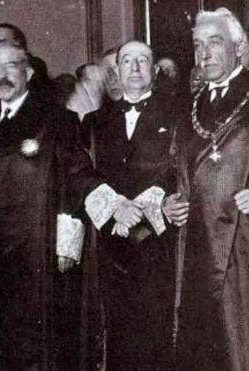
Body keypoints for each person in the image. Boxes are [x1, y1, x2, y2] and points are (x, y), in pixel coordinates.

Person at [0, 42, 125, 370]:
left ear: (28, 72)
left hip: (33, 252)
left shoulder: (55, 119)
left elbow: (77, 174)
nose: (2, 76)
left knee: (33, 345)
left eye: (11, 66)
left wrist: (101, 215)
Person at [166, 8, 249, 370]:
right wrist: (168, 203)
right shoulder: (188, 106)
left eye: (214, 42)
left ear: (239, 48)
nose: (203, 54)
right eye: (197, 45)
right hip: (196, 250)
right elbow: (172, 170)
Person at [82, 40, 179, 370]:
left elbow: (179, 170)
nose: (135, 68)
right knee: (116, 334)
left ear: (154, 71)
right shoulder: (93, 123)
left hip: (160, 243)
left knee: (157, 333)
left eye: (143, 61)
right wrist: (115, 210)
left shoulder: (178, 116)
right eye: (127, 61)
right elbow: (82, 174)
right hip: (108, 245)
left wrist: (141, 211)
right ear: (117, 71)